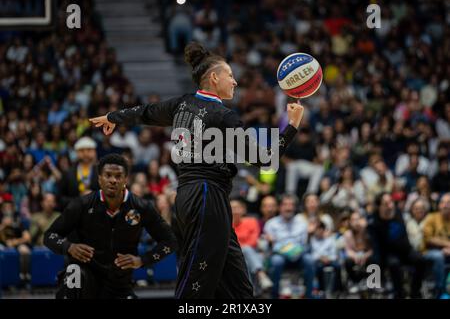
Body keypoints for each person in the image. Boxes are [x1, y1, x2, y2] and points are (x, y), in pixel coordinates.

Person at [89, 42, 304, 299]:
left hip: (193, 198)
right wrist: (291, 126)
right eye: (231, 76)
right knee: (196, 283)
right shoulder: (224, 116)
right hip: (206, 197)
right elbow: (264, 159)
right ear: (214, 78)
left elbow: (144, 112)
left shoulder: (181, 104)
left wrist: (113, 117)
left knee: (239, 289)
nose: (235, 82)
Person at [44, 154, 177, 299]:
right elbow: (49, 235)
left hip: (119, 284)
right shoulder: (81, 204)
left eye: (118, 176)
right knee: (73, 271)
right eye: (108, 175)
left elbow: (170, 241)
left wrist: (143, 260)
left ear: (126, 180)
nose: (113, 180)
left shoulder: (142, 207)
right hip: (86, 277)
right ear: (100, 179)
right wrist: (68, 247)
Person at [368, 192, 426, 298]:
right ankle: (399, 294)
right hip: (390, 254)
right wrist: (377, 267)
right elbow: (376, 247)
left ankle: (415, 292)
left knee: (421, 260)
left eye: (391, 202)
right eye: (386, 203)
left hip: (406, 250)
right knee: (393, 264)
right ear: (379, 206)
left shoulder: (398, 212)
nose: (390, 205)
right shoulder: (375, 222)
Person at [263, 194, 315, 299]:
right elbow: (269, 246)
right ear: (279, 207)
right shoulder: (271, 224)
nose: (288, 208)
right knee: (277, 261)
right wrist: (271, 243)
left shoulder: (302, 223)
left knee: (310, 260)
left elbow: (304, 244)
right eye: (285, 205)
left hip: (299, 255)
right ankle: (274, 295)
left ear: (295, 207)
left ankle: (309, 295)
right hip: (280, 255)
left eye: (291, 205)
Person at [58, 136, 99, 210]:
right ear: (76, 152)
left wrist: (93, 197)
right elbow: (60, 198)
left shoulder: (100, 172)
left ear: (94, 152)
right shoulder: (68, 173)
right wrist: (79, 200)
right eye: (82, 150)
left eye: (89, 150)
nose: (85, 154)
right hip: (74, 213)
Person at [421, 193, 450, 298]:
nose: (445, 205)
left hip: (447, 251)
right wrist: (447, 245)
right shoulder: (431, 217)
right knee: (438, 256)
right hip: (429, 251)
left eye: (448, 203)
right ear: (439, 205)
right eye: (442, 202)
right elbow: (428, 238)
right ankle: (440, 291)